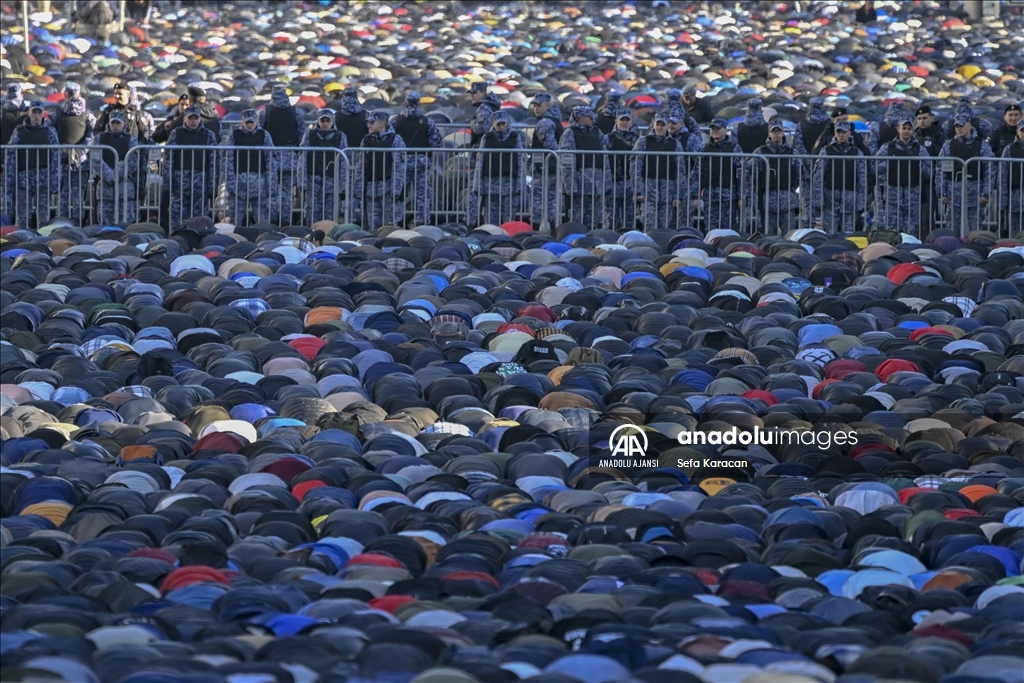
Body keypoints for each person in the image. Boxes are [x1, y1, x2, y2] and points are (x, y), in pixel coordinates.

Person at [4, 101, 60, 230]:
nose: (36, 115)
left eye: (39, 112)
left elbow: (55, 157)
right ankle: (21, 241)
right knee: (22, 217)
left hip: (43, 179)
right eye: (34, 112)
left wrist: (55, 181)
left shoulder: (50, 132)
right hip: (24, 179)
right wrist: (10, 180)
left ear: (43, 114)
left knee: (44, 217)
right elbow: (11, 156)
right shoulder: (19, 131)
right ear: (29, 113)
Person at [391, 91, 442, 227]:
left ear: (406, 102)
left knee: (399, 194)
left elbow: (390, 139)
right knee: (423, 196)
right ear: (419, 102)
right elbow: (435, 142)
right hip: (422, 163)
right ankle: (422, 222)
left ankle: (397, 221)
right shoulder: (427, 121)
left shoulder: (396, 120)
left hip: (402, 163)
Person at [164, 105, 219, 230]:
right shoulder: (176, 134)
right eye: (190, 118)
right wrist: (168, 183)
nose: (193, 121)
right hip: (180, 184)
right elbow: (169, 159)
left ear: (199, 119)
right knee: (177, 219)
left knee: (199, 220)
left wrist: (212, 185)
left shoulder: (208, 135)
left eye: (196, 118)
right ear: (184, 119)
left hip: (201, 184)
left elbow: (214, 161)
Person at [468, 110, 526, 227]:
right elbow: (480, 162)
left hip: (510, 186)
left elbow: (520, 161)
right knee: (490, 221)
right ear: (493, 124)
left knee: (509, 221)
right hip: (490, 187)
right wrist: (478, 186)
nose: (501, 127)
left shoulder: (515, 138)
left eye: (503, 124)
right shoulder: (487, 138)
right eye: (498, 124)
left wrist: (520, 185)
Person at [259, 84, 306, 225]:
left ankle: (271, 221)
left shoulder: (265, 112)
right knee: (286, 193)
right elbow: (302, 135)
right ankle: (286, 221)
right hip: (290, 157)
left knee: (271, 192)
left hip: (270, 158)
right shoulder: (296, 112)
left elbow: (260, 133)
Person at [938, 113, 993, 232]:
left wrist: (985, 193)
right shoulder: (948, 145)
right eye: (957, 126)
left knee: (976, 228)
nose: (959, 128)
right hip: (954, 192)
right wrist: (942, 192)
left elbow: (989, 170)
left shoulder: (982, 145)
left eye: (962, 125)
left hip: (975, 191)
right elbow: (941, 170)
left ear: (969, 125)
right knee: (952, 227)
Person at [876, 114, 930, 235]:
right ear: (898, 129)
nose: (906, 131)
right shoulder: (887, 148)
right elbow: (875, 167)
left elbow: (929, 171)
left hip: (913, 196)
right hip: (892, 195)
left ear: (913, 130)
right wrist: (889, 165)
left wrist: (919, 167)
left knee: (911, 231)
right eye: (904, 128)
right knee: (891, 229)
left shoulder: (920, 149)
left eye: (909, 128)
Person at [50, 83, 96, 225]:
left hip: (61, 159)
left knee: (63, 194)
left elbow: (49, 133)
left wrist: (61, 150)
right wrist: (80, 152)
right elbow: (91, 136)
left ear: (65, 95)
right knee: (79, 195)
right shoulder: (88, 114)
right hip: (82, 161)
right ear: (79, 95)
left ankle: (61, 223)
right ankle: (79, 222)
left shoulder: (56, 113)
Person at [632, 113, 684, 233]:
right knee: (649, 226)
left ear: (667, 126)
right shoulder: (643, 142)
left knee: (665, 227)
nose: (660, 127)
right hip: (648, 193)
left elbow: (680, 170)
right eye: (657, 124)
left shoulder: (675, 144)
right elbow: (636, 167)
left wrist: (678, 195)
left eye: (663, 125)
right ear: (653, 125)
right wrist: (638, 191)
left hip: (668, 193)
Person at [558, 106, 609, 231]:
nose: (593, 119)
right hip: (580, 185)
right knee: (577, 220)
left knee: (594, 219)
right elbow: (567, 162)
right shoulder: (570, 133)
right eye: (589, 116)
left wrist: (606, 185)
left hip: (596, 186)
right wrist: (571, 187)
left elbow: (605, 159)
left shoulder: (597, 132)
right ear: (581, 118)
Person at [747, 120, 803, 234]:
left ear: (783, 133)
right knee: (767, 236)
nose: (776, 134)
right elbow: (753, 175)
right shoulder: (760, 152)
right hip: (767, 201)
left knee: (789, 235)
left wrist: (789, 186)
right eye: (774, 131)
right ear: (769, 134)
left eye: (779, 131)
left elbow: (798, 174)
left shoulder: (792, 152)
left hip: (788, 200)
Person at [223, 109, 276, 227]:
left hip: (259, 185)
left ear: (256, 122)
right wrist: (231, 185)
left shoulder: (264, 135)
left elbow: (270, 162)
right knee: (234, 222)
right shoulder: (234, 135)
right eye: (247, 123)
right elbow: (228, 160)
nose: (250, 125)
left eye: (252, 122)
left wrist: (270, 185)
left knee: (262, 223)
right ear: (243, 122)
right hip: (239, 185)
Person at [813, 119, 866, 234]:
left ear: (849, 133)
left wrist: (860, 203)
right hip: (830, 201)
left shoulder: (857, 152)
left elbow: (862, 179)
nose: (841, 135)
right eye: (839, 132)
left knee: (849, 235)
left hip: (850, 201)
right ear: (835, 133)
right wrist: (819, 199)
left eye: (844, 132)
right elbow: (818, 177)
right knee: (829, 234)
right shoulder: (826, 151)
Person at [299, 108, 348, 227]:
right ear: (318, 121)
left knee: (331, 217)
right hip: (313, 181)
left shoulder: (340, 136)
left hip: (332, 182)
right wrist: (302, 183)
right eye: (323, 120)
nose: (325, 123)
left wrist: (343, 187)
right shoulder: (309, 135)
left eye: (328, 121)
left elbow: (343, 162)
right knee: (311, 215)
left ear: (332, 122)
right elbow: (302, 159)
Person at [358, 110, 406, 231]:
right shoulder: (366, 141)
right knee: (373, 227)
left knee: (390, 227)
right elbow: (360, 166)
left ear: (381, 124)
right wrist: (358, 190)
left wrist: (396, 191)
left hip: (388, 189)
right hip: (370, 189)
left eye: (372, 123)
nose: (369, 126)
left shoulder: (395, 140)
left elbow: (399, 167)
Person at [696, 117, 742, 233]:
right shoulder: (705, 149)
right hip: (710, 196)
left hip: (728, 195)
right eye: (713, 128)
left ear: (725, 130)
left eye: (718, 128)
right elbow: (698, 172)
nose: (715, 131)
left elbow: (742, 174)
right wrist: (695, 195)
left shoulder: (734, 148)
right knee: (710, 230)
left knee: (727, 230)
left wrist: (741, 196)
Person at [92, 110, 138, 225]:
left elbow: (133, 161)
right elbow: (95, 158)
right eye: (113, 123)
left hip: (125, 188)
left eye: (118, 123)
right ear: (109, 124)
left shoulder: (131, 140)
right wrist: (109, 175)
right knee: (104, 222)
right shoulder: (99, 139)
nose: (115, 126)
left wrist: (117, 174)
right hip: (105, 188)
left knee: (125, 223)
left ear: (124, 124)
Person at [529, 93, 563, 230]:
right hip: (551, 167)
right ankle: (555, 229)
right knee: (551, 200)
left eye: (539, 105)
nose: (536, 108)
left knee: (539, 199)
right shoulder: (555, 120)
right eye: (535, 105)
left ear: (548, 106)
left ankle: (536, 230)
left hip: (544, 167)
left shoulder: (545, 122)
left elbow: (550, 145)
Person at [794, 96, 831, 222]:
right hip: (828, 171)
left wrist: (810, 163)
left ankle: (808, 229)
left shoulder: (801, 125)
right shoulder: (831, 125)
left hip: (808, 171)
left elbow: (798, 147)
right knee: (828, 204)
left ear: (809, 108)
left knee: (809, 203)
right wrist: (821, 163)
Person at [605, 109, 640, 231]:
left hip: (630, 183)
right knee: (610, 219)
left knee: (629, 220)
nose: (625, 123)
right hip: (613, 182)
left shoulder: (638, 140)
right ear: (616, 121)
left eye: (627, 120)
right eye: (622, 120)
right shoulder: (608, 139)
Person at [1, 84, 30, 219]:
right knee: (23, 194)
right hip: (26, 159)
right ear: (21, 94)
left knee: (6, 192)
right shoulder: (29, 112)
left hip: (4, 158)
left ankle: (7, 222)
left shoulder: (2, 112)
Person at [1000, 120, 1024, 233]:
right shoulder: (1009, 149)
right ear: (1018, 132)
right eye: (1023, 130)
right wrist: (1003, 201)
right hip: (1015, 198)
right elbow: (1003, 176)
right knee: (1016, 234)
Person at [468, 82, 501, 149]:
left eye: (474, 93)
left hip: (482, 146)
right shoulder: (492, 105)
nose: (471, 95)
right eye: (471, 93)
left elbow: (481, 128)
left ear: (483, 93)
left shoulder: (484, 108)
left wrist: (472, 122)